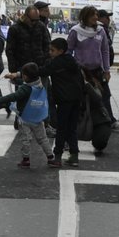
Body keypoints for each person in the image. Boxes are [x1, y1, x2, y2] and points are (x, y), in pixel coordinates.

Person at [0, 63, 58, 168]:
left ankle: (26, 160)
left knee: (26, 139)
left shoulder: (25, 89)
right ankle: (51, 158)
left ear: (25, 76)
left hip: (26, 118)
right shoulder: (39, 83)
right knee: (43, 139)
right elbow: (26, 83)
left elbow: (14, 96)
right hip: (38, 118)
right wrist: (15, 79)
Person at [39, 35, 85, 167]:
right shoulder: (72, 60)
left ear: (60, 51)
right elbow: (80, 80)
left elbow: (42, 71)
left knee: (61, 128)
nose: (50, 53)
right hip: (76, 99)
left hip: (65, 100)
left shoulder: (56, 62)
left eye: (52, 50)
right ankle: (74, 156)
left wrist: (21, 74)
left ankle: (57, 157)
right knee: (72, 128)